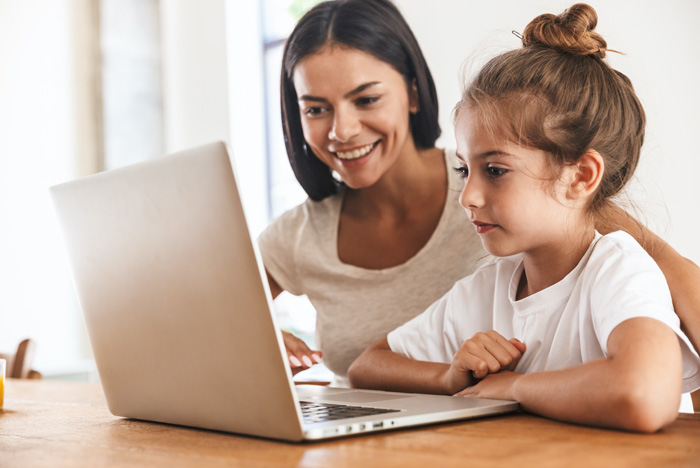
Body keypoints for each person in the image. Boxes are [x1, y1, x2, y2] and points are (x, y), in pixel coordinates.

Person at [259, 0, 700, 385]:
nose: (342, 130)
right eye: (315, 109)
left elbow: (652, 261)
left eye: (367, 99)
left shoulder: (523, 183)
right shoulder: (300, 234)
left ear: (413, 91)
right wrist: (247, 336)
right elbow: (205, 313)